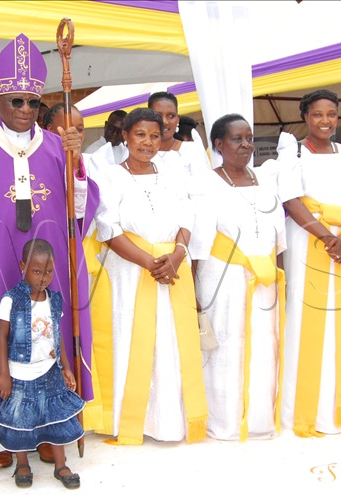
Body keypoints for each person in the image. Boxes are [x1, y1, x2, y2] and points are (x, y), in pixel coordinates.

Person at [0, 33, 95, 469]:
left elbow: (79, 210)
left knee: (47, 336)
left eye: (33, 102)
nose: (26, 110)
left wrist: (76, 166)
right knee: (1, 338)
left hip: (48, 266)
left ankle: (48, 429)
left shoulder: (56, 145)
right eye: (16, 101)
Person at [93, 107, 207, 444]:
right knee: (132, 337)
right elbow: (108, 229)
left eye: (155, 136)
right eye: (140, 135)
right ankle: (131, 418)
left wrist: (177, 255)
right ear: (125, 136)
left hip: (172, 266)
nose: (147, 142)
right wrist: (149, 262)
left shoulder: (173, 171)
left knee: (171, 339)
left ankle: (168, 421)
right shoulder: (109, 176)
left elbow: (188, 217)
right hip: (130, 270)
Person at [274, 89, 341, 438]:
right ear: (305, 117)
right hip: (306, 241)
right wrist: (328, 238)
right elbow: (291, 200)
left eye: (331, 114)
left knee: (337, 321)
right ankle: (300, 411)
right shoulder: (293, 152)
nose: (325, 121)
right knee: (303, 319)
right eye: (317, 114)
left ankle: (334, 412)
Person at [190, 113, 285, 441]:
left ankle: (259, 420)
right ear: (219, 144)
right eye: (237, 139)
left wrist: (280, 277)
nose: (246, 145)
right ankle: (225, 422)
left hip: (265, 283)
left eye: (249, 138)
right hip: (223, 280)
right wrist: (193, 293)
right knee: (225, 348)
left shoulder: (265, 179)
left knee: (264, 345)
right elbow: (198, 244)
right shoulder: (206, 183)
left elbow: (278, 237)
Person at [0, 239, 84, 489]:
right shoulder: (11, 300)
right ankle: (22, 464)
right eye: (36, 271)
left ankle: (61, 465)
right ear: (23, 266)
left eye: (48, 272)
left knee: (57, 417)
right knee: (20, 420)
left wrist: (66, 366)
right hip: (21, 373)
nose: (43, 278)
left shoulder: (54, 299)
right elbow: (1, 338)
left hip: (50, 371)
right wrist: (4, 374)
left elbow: (58, 335)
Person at [148, 92, 212, 176]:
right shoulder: (139, 153)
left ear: (178, 119)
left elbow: (204, 182)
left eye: (171, 116)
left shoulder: (192, 150)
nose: (165, 121)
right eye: (158, 116)